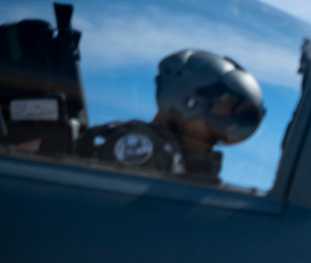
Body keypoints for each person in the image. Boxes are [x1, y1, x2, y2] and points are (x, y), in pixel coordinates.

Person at [79, 49, 263, 184]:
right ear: (188, 101)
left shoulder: (192, 165)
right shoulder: (143, 148)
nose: (233, 119)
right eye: (226, 106)